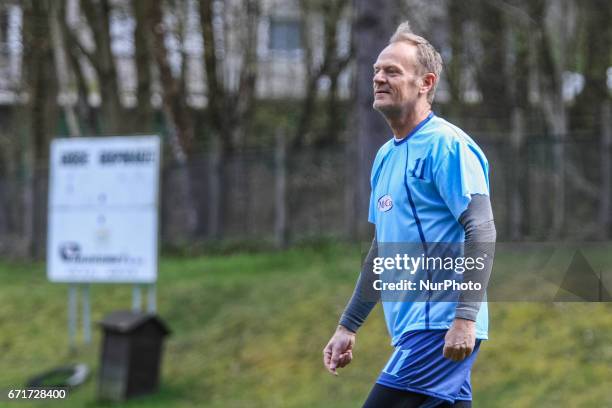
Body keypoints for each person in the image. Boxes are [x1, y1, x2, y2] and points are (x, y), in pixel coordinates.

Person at [322, 21, 496, 408]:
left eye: (392, 71)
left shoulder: (448, 146)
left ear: (426, 83)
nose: (379, 78)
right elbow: (383, 252)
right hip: (414, 331)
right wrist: (348, 325)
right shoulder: (385, 157)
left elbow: (481, 230)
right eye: (377, 71)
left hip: (439, 327)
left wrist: (465, 318)